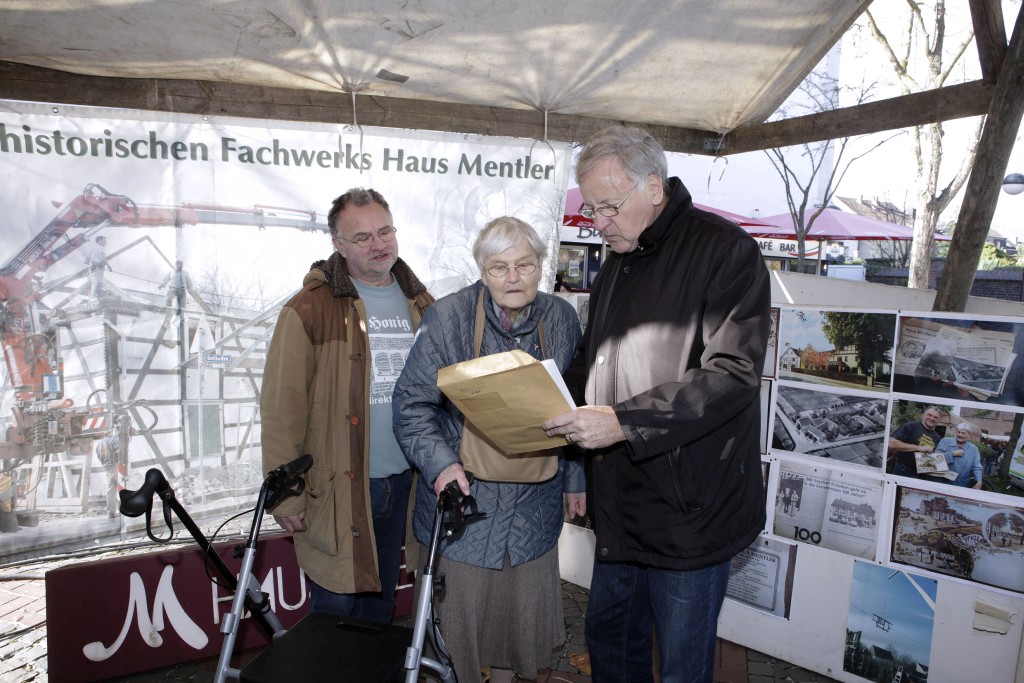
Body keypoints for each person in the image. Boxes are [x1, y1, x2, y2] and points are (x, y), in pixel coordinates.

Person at [540, 125, 771, 683]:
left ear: (653, 187)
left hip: (690, 512)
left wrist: (624, 422)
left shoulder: (726, 251)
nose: (598, 222)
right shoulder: (618, 260)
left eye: (608, 206)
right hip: (621, 505)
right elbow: (597, 359)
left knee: (682, 666)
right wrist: (541, 395)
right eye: (591, 209)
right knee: (612, 646)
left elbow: (732, 374)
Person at [393, 216, 585, 683]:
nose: (513, 277)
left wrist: (576, 478)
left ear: (542, 266)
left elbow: (576, 403)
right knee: (457, 633)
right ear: (482, 271)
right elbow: (411, 405)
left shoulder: (562, 318)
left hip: (535, 504)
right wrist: (441, 466)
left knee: (520, 632)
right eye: (499, 267)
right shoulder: (448, 318)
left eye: (525, 265)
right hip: (467, 504)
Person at [261, 187, 434, 623]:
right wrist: (286, 496)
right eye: (362, 237)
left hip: (407, 483)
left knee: (381, 606)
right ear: (338, 244)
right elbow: (282, 410)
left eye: (385, 231)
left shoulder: (423, 304)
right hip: (340, 487)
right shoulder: (309, 308)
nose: (379, 244)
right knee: (336, 613)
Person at [888, 406, 943, 478]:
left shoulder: (937, 437)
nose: (932, 418)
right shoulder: (912, 426)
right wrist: (918, 448)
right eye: (929, 415)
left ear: (939, 420)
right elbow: (892, 443)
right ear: (923, 415)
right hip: (903, 470)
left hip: (922, 475)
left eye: (936, 417)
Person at [934, 422, 984, 488]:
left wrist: (979, 481)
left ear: (969, 435)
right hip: (942, 482)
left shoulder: (973, 449)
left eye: (963, 433)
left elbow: (977, 467)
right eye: (958, 432)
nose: (960, 435)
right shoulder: (945, 442)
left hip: (961, 485)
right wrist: (952, 454)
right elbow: (935, 459)